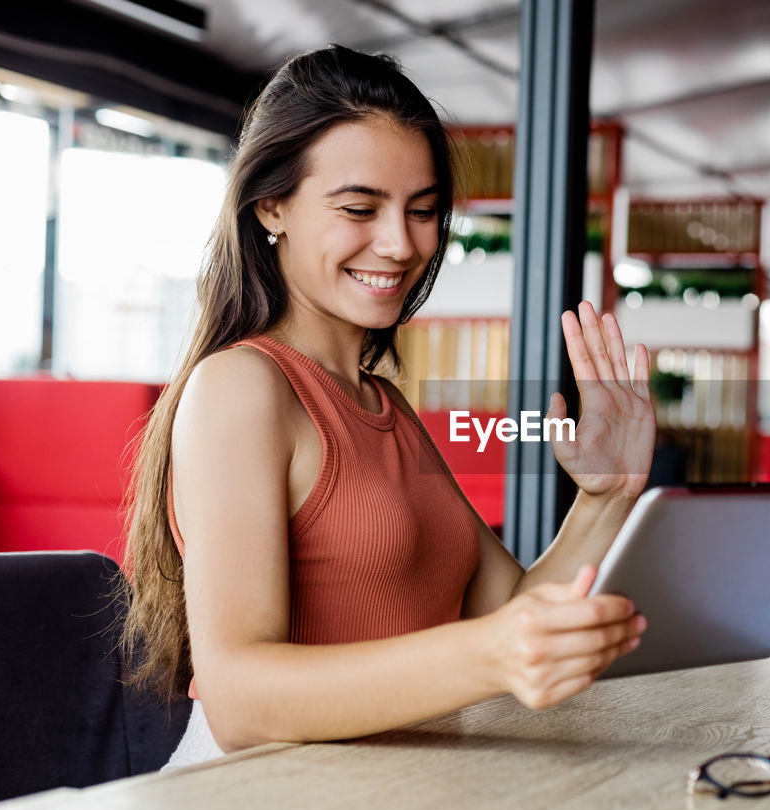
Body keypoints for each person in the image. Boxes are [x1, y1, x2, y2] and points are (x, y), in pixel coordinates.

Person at [118, 45, 656, 768]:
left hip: (393, 797)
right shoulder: (241, 385)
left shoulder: (382, 404)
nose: (402, 244)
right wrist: (491, 653)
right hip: (257, 809)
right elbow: (238, 699)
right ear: (270, 204)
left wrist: (607, 495)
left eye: (424, 210)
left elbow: (509, 617)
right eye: (359, 208)